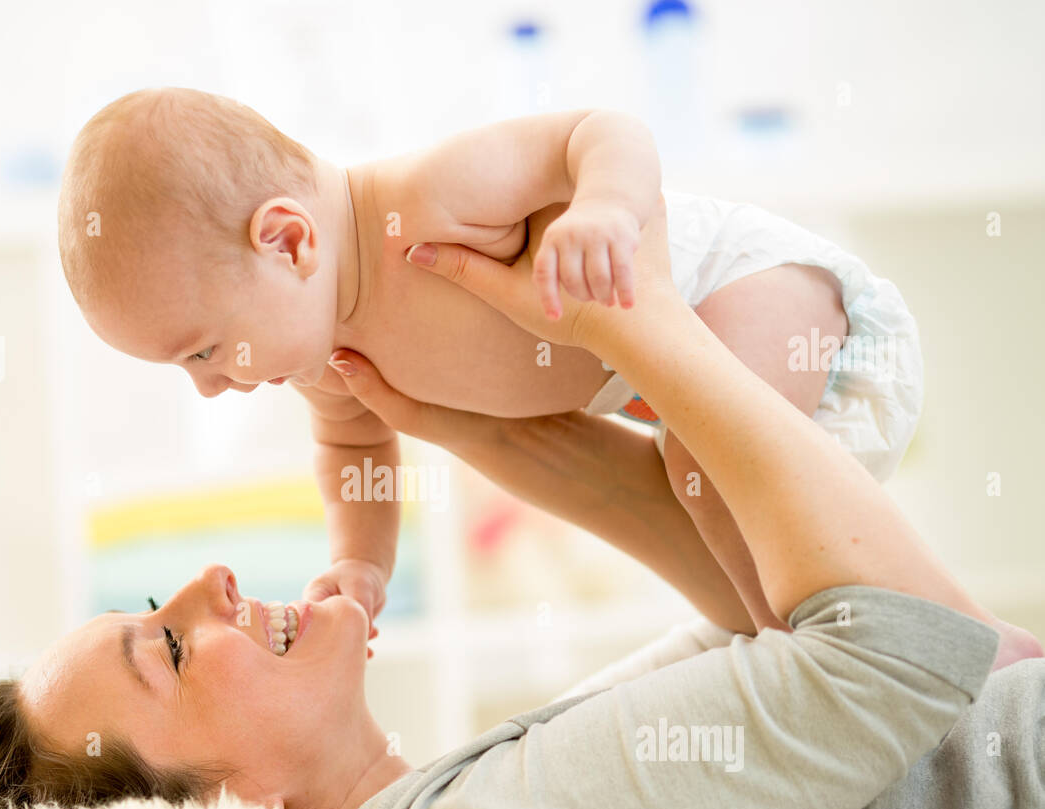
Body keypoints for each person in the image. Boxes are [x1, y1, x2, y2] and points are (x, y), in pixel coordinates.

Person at [0, 202, 1037, 809]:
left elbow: (761, 620)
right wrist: (636, 319)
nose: (207, 579)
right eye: (166, 647)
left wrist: (457, 420)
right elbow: (894, 647)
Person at [56, 87, 1039, 663]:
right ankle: (887, 643)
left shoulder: (428, 197)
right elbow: (352, 450)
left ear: (287, 240)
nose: (209, 386)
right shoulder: (327, 360)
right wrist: (362, 563)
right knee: (716, 509)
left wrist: (605, 212)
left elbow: (599, 131)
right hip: (693, 396)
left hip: (766, 292)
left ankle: (830, 649)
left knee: (712, 475)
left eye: (201, 349)